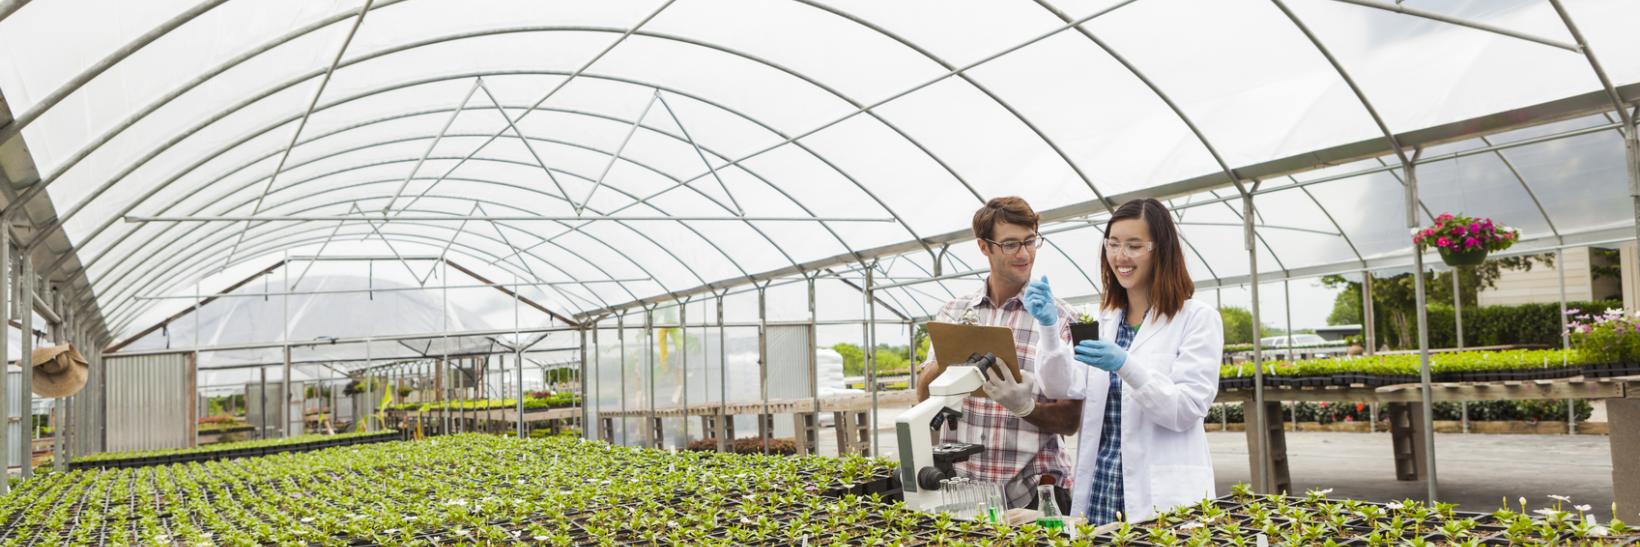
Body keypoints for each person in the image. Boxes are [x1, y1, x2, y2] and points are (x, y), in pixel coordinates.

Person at [1027, 198, 1222, 524]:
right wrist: (1048, 328)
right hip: (1102, 489)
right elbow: (1062, 386)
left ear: (1160, 250)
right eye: (1113, 244)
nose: (1120, 256)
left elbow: (1185, 409)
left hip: (1157, 497)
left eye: (1134, 246)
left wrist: (1125, 365)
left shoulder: (1196, 319)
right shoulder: (1105, 321)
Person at [914, 196, 1081, 513]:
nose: (1024, 253)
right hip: (964, 491)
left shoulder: (1060, 318)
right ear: (983, 246)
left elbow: (1071, 420)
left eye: (1030, 241)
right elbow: (923, 398)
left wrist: (1025, 406)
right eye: (1010, 245)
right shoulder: (953, 312)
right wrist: (948, 363)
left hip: (1036, 492)